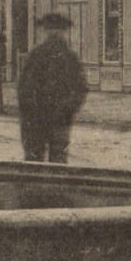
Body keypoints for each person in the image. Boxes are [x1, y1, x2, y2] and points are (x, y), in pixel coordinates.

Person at [17, 12, 88, 163]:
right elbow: (80, 90)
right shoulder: (70, 57)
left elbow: (24, 90)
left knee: (35, 165)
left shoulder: (37, 55)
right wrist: (67, 110)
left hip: (40, 121)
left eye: (56, 30)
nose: (54, 34)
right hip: (55, 120)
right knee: (57, 166)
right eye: (52, 30)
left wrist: (30, 113)